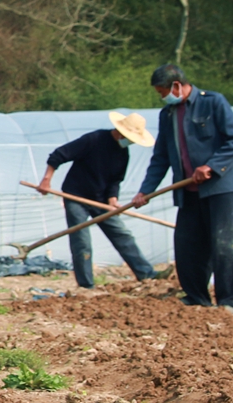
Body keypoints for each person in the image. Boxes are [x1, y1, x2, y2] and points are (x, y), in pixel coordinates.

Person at [130, 64, 233, 313]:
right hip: (187, 192)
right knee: (187, 246)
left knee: (223, 246)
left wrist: (212, 166)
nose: (162, 97)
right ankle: (196, 296)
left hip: (218, 190)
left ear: (176, 85)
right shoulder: (168, 115)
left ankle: (230, 302)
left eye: (162, 91)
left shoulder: (213, 103)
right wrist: (145, 190)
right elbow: (160, 157)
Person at [36, 112, 159, 289]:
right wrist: (46, 179)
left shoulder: (122, 153)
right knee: (82, 241)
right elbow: (59, 154)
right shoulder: (94, 139)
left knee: (122, 234)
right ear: (121, 132)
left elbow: (115, 179)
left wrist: (112, 199)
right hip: (76, 196)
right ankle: (86, 284)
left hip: (100, 200)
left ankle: (146, 274)